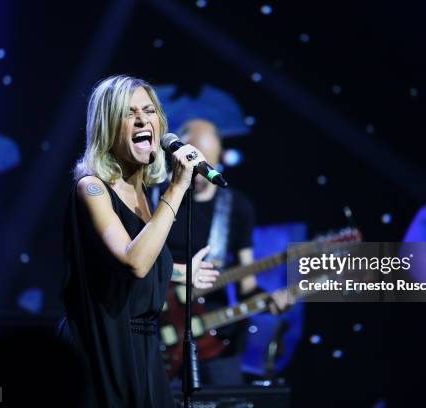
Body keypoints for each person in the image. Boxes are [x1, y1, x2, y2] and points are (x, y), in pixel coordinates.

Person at [57, 75, 220, 408]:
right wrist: (176, 189)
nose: (143, 120)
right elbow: (134, 260)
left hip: (143, 348)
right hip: (103, 344)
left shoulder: (141, 192)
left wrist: (179, 273)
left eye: (149, 111)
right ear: (107, 126)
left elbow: (127, 262)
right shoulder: (92, 189)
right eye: (129, 113)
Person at [157, 119, 288, 385]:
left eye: (206, 165)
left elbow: (246, 285)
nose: (199, 174)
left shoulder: (237, 207)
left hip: (217, 335)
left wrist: (269, 300)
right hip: (157, 322)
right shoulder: (155, 196)